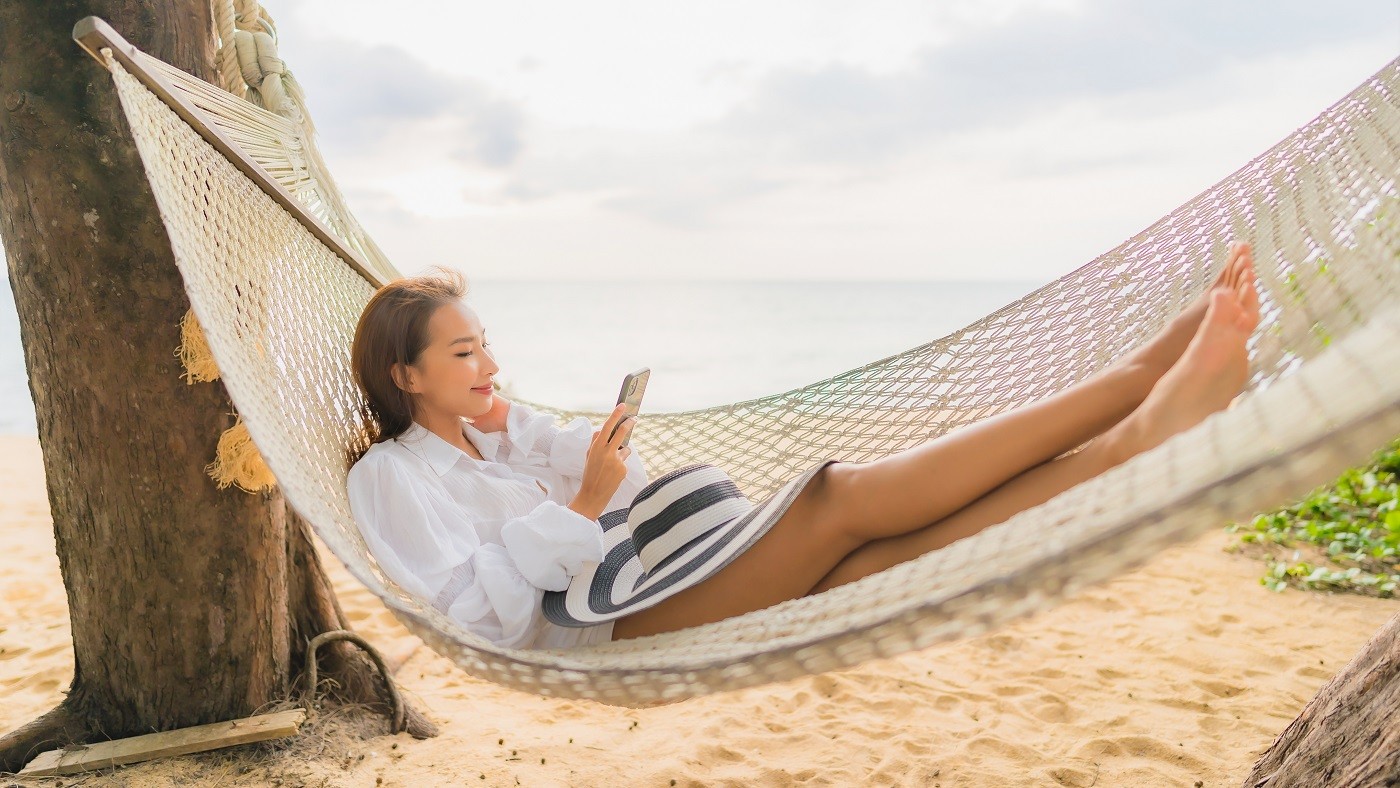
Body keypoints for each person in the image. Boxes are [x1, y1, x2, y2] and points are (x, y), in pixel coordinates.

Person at [346, 242, 1260, 649]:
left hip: (651, 570)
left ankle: (1136, 439)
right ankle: (1135, 384)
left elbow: (588, 467)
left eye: (488, 346)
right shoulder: (391, 481)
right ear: (406, 377)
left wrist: (522, 433)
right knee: (836, 501)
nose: (490, 365)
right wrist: (583, 504)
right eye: (465, 354)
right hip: (601, 622)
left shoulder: (493, 444)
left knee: (880, 566)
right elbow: (479, 619)